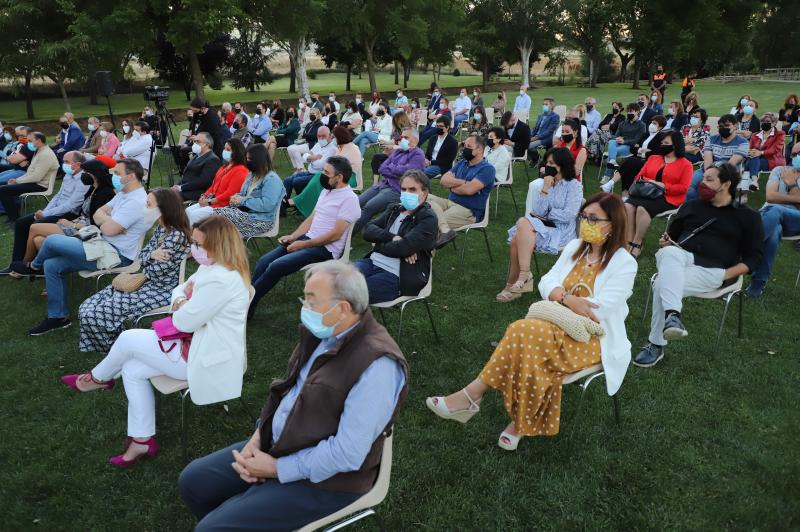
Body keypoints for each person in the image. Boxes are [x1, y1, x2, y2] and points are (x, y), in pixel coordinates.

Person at [179, 260, 407, 530]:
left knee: (211, 529)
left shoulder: (378, 365)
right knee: (194, 481)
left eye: (311, 301)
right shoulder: (323, 333)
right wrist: (257, 439)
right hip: (284, 443)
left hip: (329, 481)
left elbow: (347, 454)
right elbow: (285, 392)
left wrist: (275, 468)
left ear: (343, 308)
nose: (304, 308)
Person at [427, 193, 637, 450]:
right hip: (553, 327)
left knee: (523, 333)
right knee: (529, 337)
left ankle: (472, 396)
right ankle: (514, 420)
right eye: (583, 216)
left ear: (613, 224)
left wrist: (559, 297)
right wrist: (569, 299)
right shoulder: (574, 248)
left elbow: (598, 312)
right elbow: (547, 281)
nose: (586, 223)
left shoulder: (625, 263)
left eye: (594, 219)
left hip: (592, 339)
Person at [62, 216, 250, 466]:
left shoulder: (221, 278)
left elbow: (183, 320)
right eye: (193, 242)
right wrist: (183, 301)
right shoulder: (213, 266)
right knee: (131, 369)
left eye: (199, 244)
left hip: (204, 356)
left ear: (219, 246)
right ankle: (141, 441)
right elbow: (180, 289)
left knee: (128, 338)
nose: (193, 249)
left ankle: (97, 378)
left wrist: (182, 302)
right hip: (194, 343)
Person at [634, 163, 764, 368]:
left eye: (709, 180)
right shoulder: (691, 206)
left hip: (715, 271)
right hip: (680, 260)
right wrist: (666, 241)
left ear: (726, 184)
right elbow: (672, 238)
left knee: (661, 284)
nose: (702, 183)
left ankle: (657, 341)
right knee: (669, 252)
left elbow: (754, 258)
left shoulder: (748, 217)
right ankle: (672, 318)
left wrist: (727, 274)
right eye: (703, 178)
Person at [13, 159, 151, 336]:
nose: (113, 176)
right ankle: (58, 317)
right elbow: (98, 214)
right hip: (100, 243)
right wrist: (110, 223)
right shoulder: (124, 193)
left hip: (115, 255)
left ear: (131, 176)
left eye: (117, 173)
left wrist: (107, 223)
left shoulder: (136, 201)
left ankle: (33, 266)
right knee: (52, 265)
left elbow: (106, 226)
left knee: (52, 240)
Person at [78, 188, 191, 353]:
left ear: (163, 209)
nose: (144, 208)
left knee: (93, 314)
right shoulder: (162, 229)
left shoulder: (176, 235)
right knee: (86, 308)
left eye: (148, 204)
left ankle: (117, 349)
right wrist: (151, 254)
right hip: (143, 280)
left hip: (160, 289)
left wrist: (148, 258)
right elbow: (143, 257)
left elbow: (155, 271)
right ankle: (117, 346)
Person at [249, 156, 360, 317]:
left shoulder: (349, 199)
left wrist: (303, 245)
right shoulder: (326, 191)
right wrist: (294, 237)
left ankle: (248, 304)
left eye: (326, 172)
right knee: (264, 261)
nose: (322, 175)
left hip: (325, 249)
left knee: (276, 266)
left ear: (339, 177)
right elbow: (311, 218)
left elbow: (335, 235)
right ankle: (247, 299)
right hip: (309, 240)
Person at [497, 147, 583, 302]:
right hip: (543, 227)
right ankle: (523, 276)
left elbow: (569, 215)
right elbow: (537, 211)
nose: (547, 166)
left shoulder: (574, 186)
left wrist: (549, 213)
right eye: (547, 162)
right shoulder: (548, 183)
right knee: (522, 228)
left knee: (519, 235)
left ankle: (513, 284)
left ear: (562, 165)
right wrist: (545, 188)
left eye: (551, 163)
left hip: (560, 232)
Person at [3, 159, 116, 273]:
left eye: (85, 172)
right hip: (80, 224)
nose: (83, 175)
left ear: (95, 174)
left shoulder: (105, 194)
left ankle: (25, 267)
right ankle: (45, 270)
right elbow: (84, 212)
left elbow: (96, 224)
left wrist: (72, 224)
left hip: (88, 231)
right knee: (38, 240)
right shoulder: (93, 188)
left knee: (34, 227)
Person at [355, 170, 437, 303]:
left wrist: (377, 244)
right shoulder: (395, 209)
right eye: (404, 189)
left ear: (424, 193)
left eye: (412, 190)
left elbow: (402, 249)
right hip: (372, 262)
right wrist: (392, 238)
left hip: (398, 274)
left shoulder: (427, 218)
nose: (406, 193)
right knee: (338, 281)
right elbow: (367, 229)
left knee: (352, 293)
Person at [623, 130, 693, 258]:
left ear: (675, 145)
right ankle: (629, 240)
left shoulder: (686, 165)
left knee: (642, 209)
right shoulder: (653, 158)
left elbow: (683, 188)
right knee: (628, 206)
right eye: (662, 142)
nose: (662, 145)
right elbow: (639, 176)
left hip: (668, 198)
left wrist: (665, 186)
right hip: (646, 192)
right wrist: (651, 182)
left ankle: (637, 243)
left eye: (666, 143)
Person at [746, 148, 800, 298]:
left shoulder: (787, 176)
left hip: (796, 221)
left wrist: (791, 184)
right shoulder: (779, 169)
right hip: (770, 218)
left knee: (776, 210)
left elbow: (776, 200)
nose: (796, 157)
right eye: (794, 154)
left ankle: (742, 249)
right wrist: (796, 198)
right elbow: (770, 196)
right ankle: (757, 284)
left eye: (799, 153)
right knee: (774, 230)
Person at [427, 135, 495, 247]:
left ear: (479, 150)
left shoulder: (487, 169)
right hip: (449, 203)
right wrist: (464, 182)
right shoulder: (462, 163)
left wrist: (453, 185)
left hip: (467, 211)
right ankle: (444, 229)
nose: (465, 149)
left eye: (469, 146)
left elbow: (469, 190)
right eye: (464, 145)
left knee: (432, 223)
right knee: (422, 198)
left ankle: (423, 261)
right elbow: (443, 180)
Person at [204, 144, 284, 239]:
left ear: (258, 160)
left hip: (261, 220)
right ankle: (211, 247)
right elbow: (243, 194)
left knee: (215, 218)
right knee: (212, 218)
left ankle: (216, 248)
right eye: (246, 158)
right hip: (244, 213)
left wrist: (242, 200)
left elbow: (267, 205)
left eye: (249, 159)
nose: (246, 162)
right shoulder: (251, 175)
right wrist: (236, 197)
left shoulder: (272, 180)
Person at [355, 128, 425, 233]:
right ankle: (344, 226)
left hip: (397, 190)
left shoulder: (418, 155)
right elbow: (382, 168)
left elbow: (407, 174)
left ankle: (346, 238)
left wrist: (392, 167)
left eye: (406, 137)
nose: (402, 140)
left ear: (415, 140)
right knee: (357, 202)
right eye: (402, 137)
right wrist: (396, 170)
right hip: (383, 184)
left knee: (369, 207)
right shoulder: (399, 151)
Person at [289, 126, 363, 218]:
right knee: (320, 177)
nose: (332, 139)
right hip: (337, 174)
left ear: (339, 137)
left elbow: (348, 168)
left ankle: (300, 203)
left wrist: (315, 160)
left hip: (349, 177)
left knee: (320, 177)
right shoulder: (340, 148)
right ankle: (308, 206)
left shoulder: (352, 148)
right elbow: (330, 164)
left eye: (334, 137)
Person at [185, 138, 249, 224]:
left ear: (236, 152)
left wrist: (210, 202)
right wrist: (204, 195)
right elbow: (213, 185)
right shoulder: (224, 167)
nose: (225, 151)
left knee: (194, 215)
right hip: (212, 201)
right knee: (187, 211)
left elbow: (230, 193)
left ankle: (194, 236)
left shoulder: (241, 170)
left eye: (228, 150)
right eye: (224, 148)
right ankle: (188, 235)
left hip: (223, 206)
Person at [685, 115, 748, 201]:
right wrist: (708, 175)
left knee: (712, 188)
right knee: (689, 185)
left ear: (735, 126)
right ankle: (695, 207)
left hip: (728, 172)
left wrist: (713, 177)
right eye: (721, 126)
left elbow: (731, 164)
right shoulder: (711, 139)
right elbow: (707, 159)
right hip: (708, 169)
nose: (723, 128)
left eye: (727, 125)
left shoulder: (743, 142)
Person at [0, 132, 59, 222]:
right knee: (3, 185)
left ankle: (14, 219)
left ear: (39, 141)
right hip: (34, 182)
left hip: (40, 185)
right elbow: (31, 172)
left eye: (30, 141)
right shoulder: (39, 151)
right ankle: (12, 211)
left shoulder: (45, 154)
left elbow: (36, 177)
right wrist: (16, 180)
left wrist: (17, 181)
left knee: (4, 190)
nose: (28, 143)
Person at [283, 126, 337, 199]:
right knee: (288, 180)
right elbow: (304, 157)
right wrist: (314, 157)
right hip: (310, 172)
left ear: (330, 135)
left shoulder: (332, 149)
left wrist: (310, 159)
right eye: (319, 136)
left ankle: (301, 203)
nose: (321, 138)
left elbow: (320, 165)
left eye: (323, 136)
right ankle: (284, 202)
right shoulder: (318, 144)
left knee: (297, 181)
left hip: (318, 175)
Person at [172, 132, 222, 202]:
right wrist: (176, 186)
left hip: (196, 193)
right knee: (157, 193)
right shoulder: (197, 155)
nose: (195, 144)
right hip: (185, 189)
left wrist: (181, 188)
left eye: (198, 142)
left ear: (207, 145)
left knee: (166, 198)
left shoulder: (212, 160)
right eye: (194, 141)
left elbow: (203, 182)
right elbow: (186, 174)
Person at [603, 103, 647, 179]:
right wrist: (617, 138)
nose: (629, 113)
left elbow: (636, 140)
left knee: (613, 151)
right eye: (628, 112)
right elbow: (616, 136)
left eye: (631, 111)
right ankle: (612, 161)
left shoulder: (641, 125)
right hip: (618, 143)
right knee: (611, 142)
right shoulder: (623, 123)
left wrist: (624, 141)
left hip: (629, 146)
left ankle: (606, 176)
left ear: (637, 112)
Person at [744, 113, 786, 192]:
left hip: (772, 160)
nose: (763, 123)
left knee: (748, 165)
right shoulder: (755, 135)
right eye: (762, 121)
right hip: (756, 159)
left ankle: (748, 187)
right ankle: (754, 181)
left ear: (774, 123)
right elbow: (751, 149)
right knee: (752, 159)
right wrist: (751, 152)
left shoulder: (780, 134)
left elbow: (775, 149)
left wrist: (761, 152)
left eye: (767, 121)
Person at [526, 98, 560, 165]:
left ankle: (537, 159)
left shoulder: (555, 116)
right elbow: (535, 128)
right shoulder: (540, 116)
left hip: (546, 138)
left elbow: (549, 131)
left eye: (546, 104)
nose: (544, 106)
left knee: (528, 146)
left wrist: (536, 138)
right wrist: (529, 135)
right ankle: (537, 159)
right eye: (543, 104)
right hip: (536, 136)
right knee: (521, 143)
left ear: (552, 106)